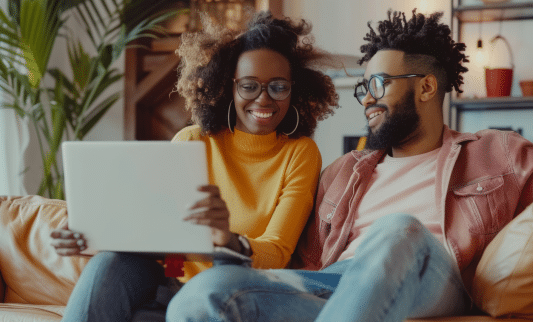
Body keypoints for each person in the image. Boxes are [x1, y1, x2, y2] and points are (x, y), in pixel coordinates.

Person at [165, 9, 533, 322]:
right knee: (207, 292)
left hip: (429, 274)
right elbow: (304, 263)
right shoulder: (341, 172)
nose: (367, 99)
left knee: (396, 231)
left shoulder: (496, 151)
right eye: (364, 88)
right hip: (337, 282)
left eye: (379, 83)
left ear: (425, 87)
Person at [49, 11, 339, 321]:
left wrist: (226, 238)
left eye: (278, 87)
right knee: (107, 263)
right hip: (170, 278)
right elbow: (161, 234)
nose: (264, 99)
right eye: (249, 86)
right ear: (229, 86)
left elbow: (278, 252)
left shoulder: (300, 153)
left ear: (295, 89)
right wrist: (93, 235)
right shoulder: (193, 140)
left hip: (230, 285)